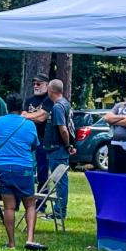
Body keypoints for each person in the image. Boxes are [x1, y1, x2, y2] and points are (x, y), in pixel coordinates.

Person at [0, 93, 46, 251]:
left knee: (9, 207)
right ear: (22, 107)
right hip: (23, 167)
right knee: (30, 204)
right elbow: (34, 144)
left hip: (2, 166)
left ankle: (11, 243)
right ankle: (30, 239)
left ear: (7, 107)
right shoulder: (28, 124)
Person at [44, 79, 76, 220]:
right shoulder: (65, 104)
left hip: (58, 149)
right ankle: (59, 210)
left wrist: (67, 145)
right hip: (60, 148)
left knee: (59, 181)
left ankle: (59, 211)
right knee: (60, 181)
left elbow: (63, 129)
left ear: (51, 90)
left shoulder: (57, 107)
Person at [21, 74, 54, 194]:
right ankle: (26, 196)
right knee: (26, 169)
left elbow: (42, 118)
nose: (35, 86)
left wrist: (28, 116)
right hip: (28, 140)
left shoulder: (49, 100)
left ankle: (41, 201)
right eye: (34, 84)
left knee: (42, 172)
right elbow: (24, 117)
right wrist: (34, 116)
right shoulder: (29, 100)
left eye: (39, 84)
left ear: (47, 85)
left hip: (43, 140)